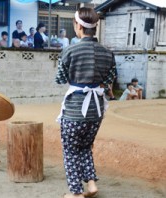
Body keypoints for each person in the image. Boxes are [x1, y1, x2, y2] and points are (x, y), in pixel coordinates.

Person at [55, 7, 116, 198]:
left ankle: (76, 193)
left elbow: (60, 78)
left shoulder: (70, 50)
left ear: (78, 26)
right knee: (86, 147)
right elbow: (110, 78)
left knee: (71, 151)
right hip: (95, 110)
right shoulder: (107, 52)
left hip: (74, 109)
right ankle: (91, 184)